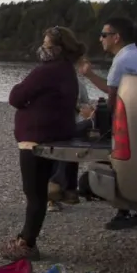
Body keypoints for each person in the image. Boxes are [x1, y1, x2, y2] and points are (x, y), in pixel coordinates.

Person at [0, 26, 85, 261]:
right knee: (38, 193)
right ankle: (26, 237)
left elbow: (16, 97)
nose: (43, 50)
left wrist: (24, 94)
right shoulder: (67, 70)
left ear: (57, 49)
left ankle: (26, 243)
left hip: (35, 139)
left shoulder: (46, 71)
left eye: (46, 46)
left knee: (34, 193)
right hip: (54, 134)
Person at [78, 16, 137, 230]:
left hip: (129, 124)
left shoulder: (121, 60)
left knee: (118, 166)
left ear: (116, 37)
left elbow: (112, 98)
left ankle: (124, 211)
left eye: (104, 35)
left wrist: (88, 75)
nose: (101, 39)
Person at [47, 78, 92, 210]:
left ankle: (67, 191)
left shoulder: (78, 83)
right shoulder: (48, 80)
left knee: (70, 156)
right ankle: (53, 196)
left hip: (71, 126)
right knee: (55, 158)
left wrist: (83, 109)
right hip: (52, 126)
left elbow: (85, 105)